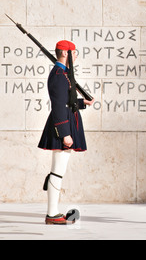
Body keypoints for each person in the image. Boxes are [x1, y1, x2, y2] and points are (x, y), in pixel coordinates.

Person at [38, 40, 94, 225]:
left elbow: (67, 102)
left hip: (66, 124)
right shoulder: (59, 76)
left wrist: (82, 103)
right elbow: (58, 107)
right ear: (64, 53)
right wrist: (64, 133)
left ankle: (53, 212)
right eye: (74, 52)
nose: (76, 55)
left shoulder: (63, 74)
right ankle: (52, 214)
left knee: (58, 170)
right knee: (57, 171)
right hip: (62, 126)